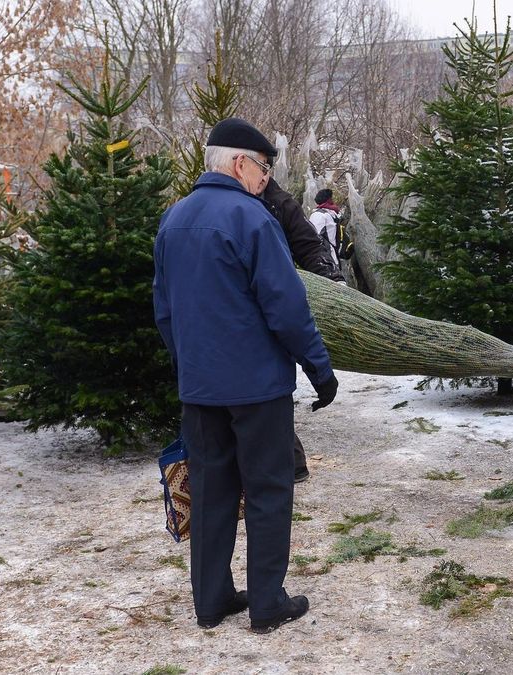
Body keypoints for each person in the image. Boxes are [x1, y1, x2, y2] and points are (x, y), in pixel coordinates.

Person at [153, 117, 339, 632]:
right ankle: (266, 603)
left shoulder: (173, 221)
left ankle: (211, 601)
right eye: (262, 169)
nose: (264, 180)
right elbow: (287, 307)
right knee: (267, 489)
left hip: (201, 389)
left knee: (211, 491)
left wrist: (188, 365)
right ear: (239, 163)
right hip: (257, 389)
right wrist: (319, 369)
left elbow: (164, 312)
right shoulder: (253, 220)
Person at [261, 178, 346, 483]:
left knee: (267, 395)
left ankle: (291, 464)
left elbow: (309, 246)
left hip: (267, 320)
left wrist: (330, 281)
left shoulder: (279, 203)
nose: (262, 174)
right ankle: (287, 465)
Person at [309, 188, 343, 267]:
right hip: (334, 255)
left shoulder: (318, 215)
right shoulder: (333, 213)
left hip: (325, 258)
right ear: (328, 199)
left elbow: (314, 236)